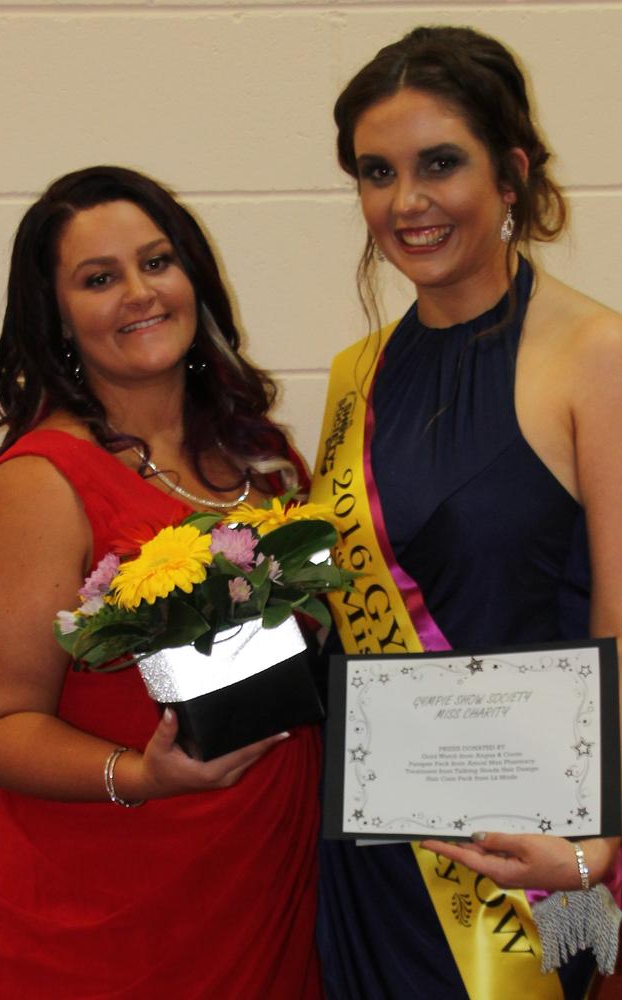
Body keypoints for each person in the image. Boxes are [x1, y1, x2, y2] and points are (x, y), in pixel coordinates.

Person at [310, 25, 622, 1000]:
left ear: (511, 172)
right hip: (376, 850)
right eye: (375, 171)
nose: (404, 201)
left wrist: (595, 844)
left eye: (437, 164)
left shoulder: (595, 355)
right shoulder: (352, 377)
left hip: (540, 854)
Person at [0, 166, 323, 998]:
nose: (139, 292)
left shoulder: (261, 460)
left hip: (264, 885)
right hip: (111, 915)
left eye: (157, 262)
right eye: (99, 279)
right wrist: (140, 775)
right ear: (57, 318)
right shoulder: (41, 481)